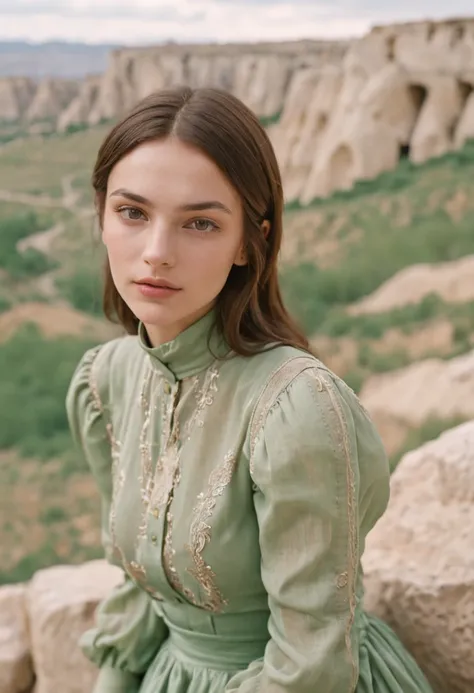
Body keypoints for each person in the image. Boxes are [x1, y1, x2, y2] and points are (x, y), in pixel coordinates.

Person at [66, 86, 433, 693]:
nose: (157, 253)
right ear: (101, 215)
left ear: (248, 241)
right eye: (133, 212)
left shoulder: (298, 409)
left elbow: (310, 664)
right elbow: (138, 589)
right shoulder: (105, 382)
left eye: (200, 223)